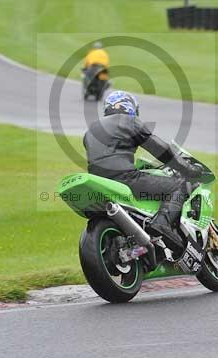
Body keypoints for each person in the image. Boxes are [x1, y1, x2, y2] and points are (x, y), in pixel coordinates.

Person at [83, 90, 201, 251]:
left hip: (99, 183)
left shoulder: (90, 131)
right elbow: (162, 150)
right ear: (130, 107)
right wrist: (188, 169)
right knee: (179, 185)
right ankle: (162, 225)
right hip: (125, 178)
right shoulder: (129, 121)